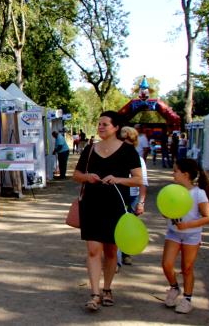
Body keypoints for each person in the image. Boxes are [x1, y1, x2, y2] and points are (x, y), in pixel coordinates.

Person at [72, 111, 142, 312]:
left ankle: (107, 288)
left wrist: (118, 179)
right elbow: (76, 175)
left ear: (116, 127)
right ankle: (94, 294)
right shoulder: (90, 149)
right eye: (99, 123)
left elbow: (138, 179)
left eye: (105, 124)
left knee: (111, 252)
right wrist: (87, 177)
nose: (100, 127)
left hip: (116, 206)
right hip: (92, 205)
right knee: (93, 251)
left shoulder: (128, 151)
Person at [162, 159, 209, 314]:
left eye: (175, 171)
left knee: (187, 267)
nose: (173, 174)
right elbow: (166, 209)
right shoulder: (172, 191)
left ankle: (187, 299)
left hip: (191, 236)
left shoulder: (199, 193)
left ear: (185, 174)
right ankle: (174, 287)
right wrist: (166, 213)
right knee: (166, 264)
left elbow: (208, 217)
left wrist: (188, 225)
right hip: (173, 233)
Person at [118, 127, 150, 267]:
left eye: (130, 140)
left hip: (133, 196)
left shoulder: (139, 160)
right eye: (124, 140)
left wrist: (141, 202)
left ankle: (126, 253)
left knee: (128, 227)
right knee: (116, 225)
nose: (126, 143)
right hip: (118, 195)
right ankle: (115, 258)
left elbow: (143, 182)